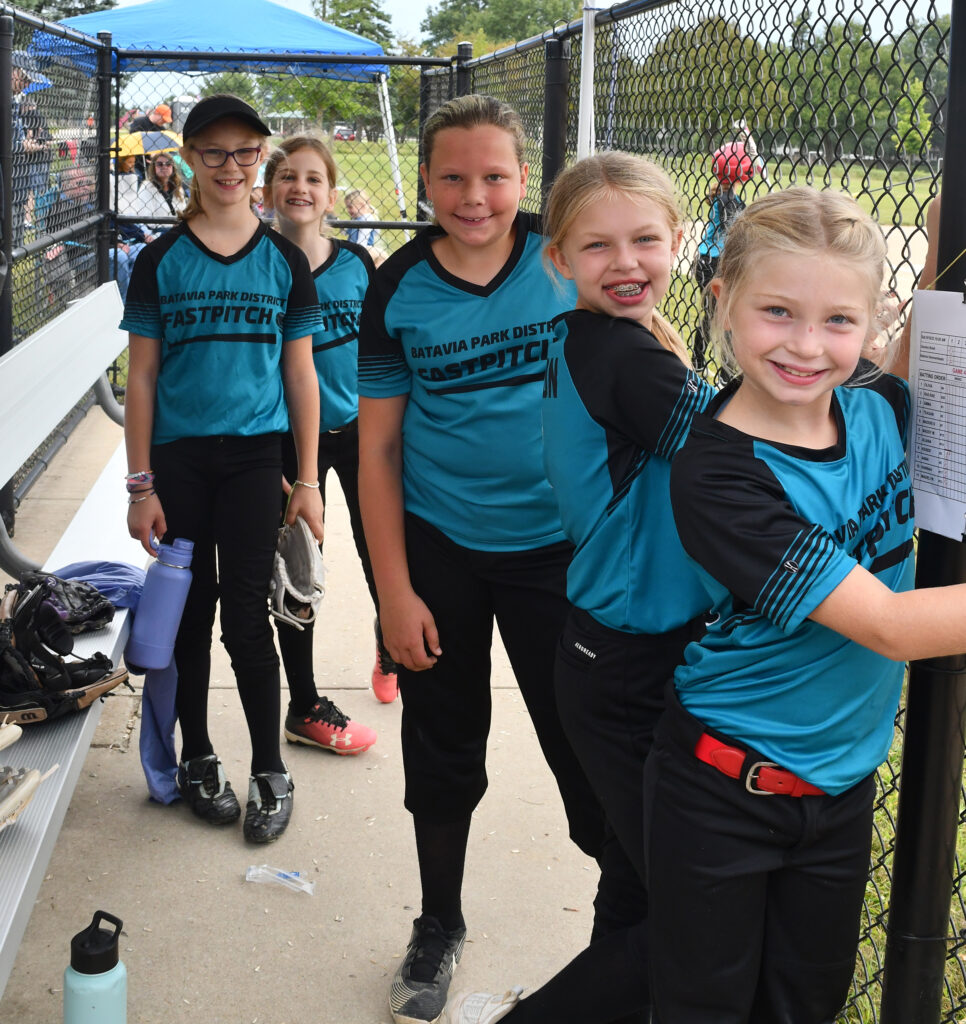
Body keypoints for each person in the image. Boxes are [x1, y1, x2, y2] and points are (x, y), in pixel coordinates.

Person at [639, 185, 940, 1023]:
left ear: (873, 322)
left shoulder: (876, 407)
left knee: (805, 1006)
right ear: (722, 299)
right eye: (777, 311)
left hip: (838, 795)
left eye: (840, 321)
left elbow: (920, 337)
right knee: (706, 1011)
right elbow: (888, 625)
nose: (808, 347)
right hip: (722, 795)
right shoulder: (719, 471)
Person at [443, 153, 716, 1024]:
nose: (626, 261)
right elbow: (747, 450)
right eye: (597, 246)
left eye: (645, 239)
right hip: (632, 666)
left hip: (609, 652)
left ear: (681, 240)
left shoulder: (597, 339)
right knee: (689, 909)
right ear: (558, 260)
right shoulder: (623, 358)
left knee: (637, 881)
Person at [357, 94, 605, 1024]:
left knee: (587, 737)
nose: (474, 196)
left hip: (562, 550)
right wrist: (394, 590)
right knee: (444, 739)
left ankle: (629, 922)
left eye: (495, 175)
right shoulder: (398, 287)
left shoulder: (564, 251)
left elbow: (641, 346)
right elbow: (376, 451)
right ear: (422, 182)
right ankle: (438, 922)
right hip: (445, 546)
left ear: (524, 179)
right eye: (452, 177)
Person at [120, 94, 324, 845]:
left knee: (245, 614)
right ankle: (199, 754)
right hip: (178, 461)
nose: (230, 168)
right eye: (213, 153)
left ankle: (270, 765)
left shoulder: (283, 261)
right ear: (189, 160)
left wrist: (305, 481)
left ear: (259, 162)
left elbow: (299, 376)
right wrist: (140, 485)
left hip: (251, 460)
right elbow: (141, 377)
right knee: (188, 614)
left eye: (245, 154)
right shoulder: (160, 260)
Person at [260, 133, 383, 752]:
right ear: (267, 191)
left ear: (332, 194)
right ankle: (304, 704)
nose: (300, 188)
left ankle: (389, 644)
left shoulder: (357, 266)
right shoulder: (261, 266)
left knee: (382, 550)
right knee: (298, 569)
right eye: (288, 176)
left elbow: (386, 356)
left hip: (359, 433)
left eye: (313, 178)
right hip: (288, 442)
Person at [137, 154, 189, 221]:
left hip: (179, 227)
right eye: (159, 164)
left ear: (172, 167)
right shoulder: (147, 187)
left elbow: (183, 210)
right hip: (158, 229)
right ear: (154, 167)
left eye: (168, 164)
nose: (164, 167)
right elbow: (146, 218)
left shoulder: (178, 187)